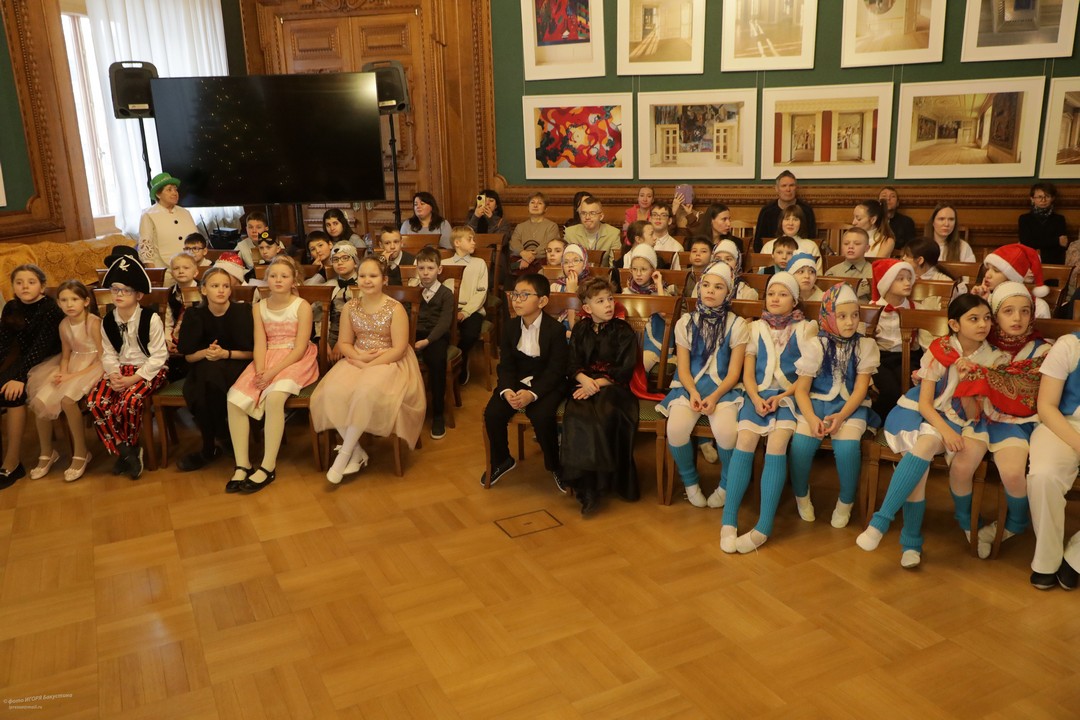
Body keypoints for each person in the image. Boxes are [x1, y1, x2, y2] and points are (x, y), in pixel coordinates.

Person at [858, 294, 1005, 568]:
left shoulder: (995, 358)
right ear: (955, 324)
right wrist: (945, 432)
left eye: (986, 318)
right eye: (973, 318)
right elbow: (926, 404)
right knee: (922, 452)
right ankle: (900, 534)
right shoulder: (939, 350)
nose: (982, 324)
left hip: (965, 419)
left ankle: (897, 532)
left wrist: (970, 381)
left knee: (922, 450)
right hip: (922, 410)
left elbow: (974, 413)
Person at [722, 272, 817, 553]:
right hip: (757, 395)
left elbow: (805, 376)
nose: (775, 299)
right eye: (771, 294)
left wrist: (783, 397)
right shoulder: (754, 328)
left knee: (777, 444)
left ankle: (763, 526)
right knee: (745, 440)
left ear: (795, 300)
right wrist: (754, 397)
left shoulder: (805, 330)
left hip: (789, 397)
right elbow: (748, 374)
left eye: (783, 294)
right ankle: (729, 520)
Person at [312, 256, 426, 484]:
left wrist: (370, 365)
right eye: (362, 275)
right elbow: (344, 343)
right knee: (329, 392)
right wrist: (359, 358)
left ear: (384, 279)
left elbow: (400, 348)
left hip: (389, 360)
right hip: (357, 357)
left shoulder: (395, 308)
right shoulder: (350, 307)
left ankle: (344, 455)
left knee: (364, 392)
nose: (366, 280)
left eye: (373, 276)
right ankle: (356, 451)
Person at [960, 282, 1050, 558]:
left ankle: (1016, 522)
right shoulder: (980, 345)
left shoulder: (1043, 351)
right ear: (994, 316)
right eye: (1008, 311)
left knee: (1012, 473)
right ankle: (967, 522)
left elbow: (1031, 392)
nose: (1017, 318)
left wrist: (986, 378)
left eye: (1025, 311)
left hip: (1020, 421)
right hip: (980, 417)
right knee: (961, 466)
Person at [226, 256, 319, 493]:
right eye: (273, 275)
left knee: (275, 398)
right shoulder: (259, 307)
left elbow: (300, 348)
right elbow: (260, 343)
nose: (278, 280)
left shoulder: (302, 306)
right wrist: (260, 370)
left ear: (294, 280)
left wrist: (272, 374)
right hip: (267, 358)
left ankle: (268, 466)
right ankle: (242, 464)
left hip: (295, 359)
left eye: (284, 276)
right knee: (234, 399)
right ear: (266, 279)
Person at [658, 262, 747, 509]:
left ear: (728, 292)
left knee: (727, 433)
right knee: (676, 429)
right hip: (690, 387)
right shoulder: (685, 322)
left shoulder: (737, 324)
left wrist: (715, 396)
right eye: (706, 285)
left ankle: (727, 484)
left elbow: (734, 372)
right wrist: (693, 392)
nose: (710, 291)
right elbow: (683, 368)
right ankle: (690, 482)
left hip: (723, 390)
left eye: (718, 287)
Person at [790, 283, 880, 528]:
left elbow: (860, 390)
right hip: (816, 404)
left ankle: (846, 501)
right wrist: (811, 418)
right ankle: (801, 496)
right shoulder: (816, 346)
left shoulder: (865, 346)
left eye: (855, 315)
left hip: (851, 406)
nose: (850, 322)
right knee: (800, 447)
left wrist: (841, 416)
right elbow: (801, 390)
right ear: (828, 317)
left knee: (848, 449)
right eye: (841, 316)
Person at [481, 273, 568, 488]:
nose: (517, 300)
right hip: (517, 380)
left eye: (524, 295)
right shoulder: (510, 327)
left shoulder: (556, 330)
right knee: (493, 413)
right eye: (515, 294)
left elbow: (556, 370)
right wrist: (507, 390)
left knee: (541, 415)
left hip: (547, 383)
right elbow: (506, 365)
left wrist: (532, 394)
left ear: (542, 301)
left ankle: (555, 465)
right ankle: (502, 459)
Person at [561, 277, 640, 515]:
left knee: (603, 413)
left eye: (610, 299)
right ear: (587, 307)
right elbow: (571, 362)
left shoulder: (623, 331)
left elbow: (625, 369)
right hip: (584, 384)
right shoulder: (580, 329)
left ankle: (602, 480)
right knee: (578, 413)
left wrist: (596, 383)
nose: (608, 305)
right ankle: (587, 486)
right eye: (600, 301)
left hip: (614, 388)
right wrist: (584, 380)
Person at [86, 255, 169, 480]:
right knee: (96, 401)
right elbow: (108, 353)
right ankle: (125, 450)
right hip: (120, 370)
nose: (119, 294)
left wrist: (133, 379)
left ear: (138, 295)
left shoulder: (150, 318)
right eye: (115, 289)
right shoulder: (108, 321)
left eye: (126, 290)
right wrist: (114, 374)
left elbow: (159, 356)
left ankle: (130, 447)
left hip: (149, 370)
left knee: (128, 401)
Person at [174, 267, 254, 473]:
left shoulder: (242, 312)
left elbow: (252, 353)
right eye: (215, 286)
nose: (221, 290)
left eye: (225, 286)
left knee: (211, 379)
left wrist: (225, 353)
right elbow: (188, 355)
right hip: (205, 365)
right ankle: (220, 437)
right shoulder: (194, 314)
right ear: (203, 290)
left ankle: (211, 445)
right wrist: (207, 353)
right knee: (205, 380)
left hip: (236, 363)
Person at [26, 280, 102, 482]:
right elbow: (66, 355)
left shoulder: (93, 323)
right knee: (40, 399)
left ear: (86, 301)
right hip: (72, 365)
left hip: (94, 366)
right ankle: (47, 452)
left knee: (67, 401)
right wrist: (62, 373)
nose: (69, 304)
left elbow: (103, 357)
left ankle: (81, 452)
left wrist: (72, 377)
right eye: (64, 300)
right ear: (58, 303)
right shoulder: (63, 325)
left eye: (74, 299)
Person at [1026, 323, 1080, 590]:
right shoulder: (1070, 345)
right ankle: (1047, 559)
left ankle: (1075, 558)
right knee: (1044, 475)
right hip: (1063, 423)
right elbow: (1047, 406)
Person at [0, 265, 64, 487]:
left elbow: (40, 348)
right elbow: (3, 344)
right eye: (19, 283)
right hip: (24, 360)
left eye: (31, 282)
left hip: (49, 360)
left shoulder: (50, 309)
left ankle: (12, 462)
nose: (25, 287)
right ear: (13, 287)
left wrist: (19, 378)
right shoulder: (11, 307)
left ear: (42, 286)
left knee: (12, 394)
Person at [869, 258, 922, 424]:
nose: (907, 283)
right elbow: (864, 340)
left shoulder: (915, 308)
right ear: (886, 283)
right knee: (888, 390)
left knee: (911, 388)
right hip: (879, 357)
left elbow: (925, 340)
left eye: (909, 278)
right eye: (900, 279)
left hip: (907, 356)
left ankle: (906, 423)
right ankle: (883, 423)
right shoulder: (872, 307)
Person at [409, 246, 454, 439]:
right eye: (421, 268)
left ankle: (437, 414)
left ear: (439, 269)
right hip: (415, 334)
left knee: (436, 362)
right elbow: (406, 317)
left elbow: (444, 323)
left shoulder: (446, 294)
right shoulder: (413, 292)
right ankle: (404, 410)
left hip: (435, 337)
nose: (425, 273)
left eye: (430, 268)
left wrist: (427, 341)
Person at [442, 226, 488, 385]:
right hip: (449, 309)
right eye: (470, 239)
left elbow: (481, 293)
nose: (474, 242)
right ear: (457, 243)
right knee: (441, 333)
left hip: (472, 309)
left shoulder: (479, 263)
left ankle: (461, 357)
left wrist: (466, 312)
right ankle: (446, 365)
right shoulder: (443, 263)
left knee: (470, 334)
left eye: (474, 239)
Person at [622, 244, 674, 373]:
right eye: (635, 269)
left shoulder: (661, 292)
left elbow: (664, 313)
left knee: (639, 364)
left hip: (654, 343)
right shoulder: (627, 292)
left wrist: (658, 285)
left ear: (653, 270)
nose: (638, 274)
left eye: (644, 269)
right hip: (631, 340)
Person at [974, 243, 1053, 319]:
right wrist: (980, 302)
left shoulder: (1039, 307)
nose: (987, 275)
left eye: (996, 270)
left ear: (1012, 278)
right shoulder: (987, 299)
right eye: (988, 269)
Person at [138, 172, 198, 271]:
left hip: (189, 269)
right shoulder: (148, 215)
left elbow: (196, 241)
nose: (175, 193)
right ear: (158, 194)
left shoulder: (185, 213)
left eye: (175, 189)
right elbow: (146, 249)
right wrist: (154, 274)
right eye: (169, 190)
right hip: (164, 270)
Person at [753, 170, 817, 251]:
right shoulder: (767, 211)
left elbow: (812, 238)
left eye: (791, 185)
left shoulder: (806, 210)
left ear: (796, 188)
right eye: (784, 186)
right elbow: (758, 243)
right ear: (776, 188)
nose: (788, 189)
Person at [509, 192, 560, 276]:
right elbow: (514, 244)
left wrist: (528, 258)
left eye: (539, 203)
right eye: (532, 202)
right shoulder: (520, 226)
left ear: (545, 208)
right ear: (528, 207)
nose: (535, 205)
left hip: (541, 262)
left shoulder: (552, 226)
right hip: (521, 261)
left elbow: (548, 245)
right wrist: (523, 253)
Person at [899, 236, 967, 299]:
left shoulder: (946, 283)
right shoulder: (904, 277)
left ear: (920, 260)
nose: (903, 258)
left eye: (907, 255)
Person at [1019, 182, 1068, 265]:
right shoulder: (1024, 219)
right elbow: (1026, 243)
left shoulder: (1059, 219)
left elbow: (1063, 244)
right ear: (1032, 199)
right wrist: (1056, 241)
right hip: (1030, 260)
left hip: (1054, 262)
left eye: (1047, 196)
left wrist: (1038, 242)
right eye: (1039, 197)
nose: (1043, 200)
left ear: (1053, 198)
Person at [760, 206, 822, 272]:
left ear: (801, 223)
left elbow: (818, 274)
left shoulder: (811, 246)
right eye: (787, 219)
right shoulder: (769, 246)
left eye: (795, 220)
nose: (790, 223)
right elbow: (761, 274)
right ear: (781, 222)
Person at [563, 196, 620, 268]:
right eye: (583, 213)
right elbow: (565, 263)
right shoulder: (570, 233)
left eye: (592, 213)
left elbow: (614, 267)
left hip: (602, 274)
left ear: (601, 216)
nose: (587, 217)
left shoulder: (613, 234)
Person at [327, 243, 360, 361]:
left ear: (355, 262)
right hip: (332, 331)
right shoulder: (329, 286)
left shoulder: (364, 285)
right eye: (335, 259)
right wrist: (323, 341)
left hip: (357, 332)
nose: (340, 262)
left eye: (345, 258)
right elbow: (321, 315)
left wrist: (343, 342)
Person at [164, 252, 200, 354]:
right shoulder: (170, 293)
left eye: (186, 268)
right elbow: (168, 322)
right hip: (177, 336)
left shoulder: (203, 290)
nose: (181, 271)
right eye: (176, 268)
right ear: (172, 274)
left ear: (195, 272)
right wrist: (168, 341)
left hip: (198, 337)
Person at [826, 228, 873, 302]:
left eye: (857, 244)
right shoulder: (832, 272)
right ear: (842, 247)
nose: (850, 246)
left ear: (867, 248)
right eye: (846, 243)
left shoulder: (873, 272)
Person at [878, 186, 917, 252]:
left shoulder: (906, 222)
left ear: (897, 203)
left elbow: (910, 247)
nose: (888, 199)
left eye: (892, 196)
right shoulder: (872, 220)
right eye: (884, 196)